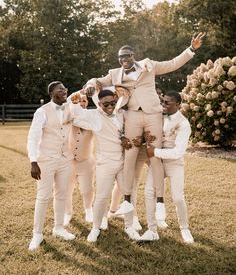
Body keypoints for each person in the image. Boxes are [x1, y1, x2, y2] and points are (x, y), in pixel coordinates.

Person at [84, 33, 205, 216]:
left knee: (154, 154)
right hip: (132, 115)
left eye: (126, 56)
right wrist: (90, 85)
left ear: (133, 55)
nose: (123, 59)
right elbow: (98, 81)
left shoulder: (149, 64)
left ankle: (160, 203)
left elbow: (172, 63)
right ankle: (126, 200)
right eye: (120, 57)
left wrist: (191, 49)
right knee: (130, 154)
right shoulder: (114, 74)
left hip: (153, 114)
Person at [70, 89, 140, 242]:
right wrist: (75, 100)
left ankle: (129, 226)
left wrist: (126, 138)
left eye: (112, 103)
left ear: (116, 100)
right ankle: (95, 228)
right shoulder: (94, 115)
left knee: (128, 192)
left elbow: (131, 126)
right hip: (105, 163)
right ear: (99, 103)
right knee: (101, 196)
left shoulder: (121, 113)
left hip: (122, 162)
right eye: (105, 104)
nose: (110, 106)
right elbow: (75, 113)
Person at [27, 81, 75, 251]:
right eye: (60, 90)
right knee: (43, 196)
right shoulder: (42, 112)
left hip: (65, 159)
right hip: (45, 159)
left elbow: (83, 97)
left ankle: (59, 228)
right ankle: (37, 234)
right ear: (52, 93)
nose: (64, 91)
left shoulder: (70, 107)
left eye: (65, 89)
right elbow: (33, 137)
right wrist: (34, 162)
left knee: (62, 194)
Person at [141, 91, 194, 243]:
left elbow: (178, 152)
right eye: (162, 101)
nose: (163, 105)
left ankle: (184, 228)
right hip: (156, 162)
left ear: (178, 105)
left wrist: (154, 151)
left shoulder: (184, 124)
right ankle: (152, 229)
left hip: (173, 164)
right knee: (148, 192)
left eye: (167, 103)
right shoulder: (158, 116)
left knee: (177, 197)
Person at [64, 93, 95, 226]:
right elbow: (64, 105)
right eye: (78, 101)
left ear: (87, 103)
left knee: (87, 189)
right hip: (68, 161)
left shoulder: (92, 117)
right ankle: (67, 212)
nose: (81, 103)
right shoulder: (68, 114)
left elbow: (92, 127)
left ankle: (88, 209)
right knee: (66, 189)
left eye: (83, 101)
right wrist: (72, 102)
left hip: (86, 160)